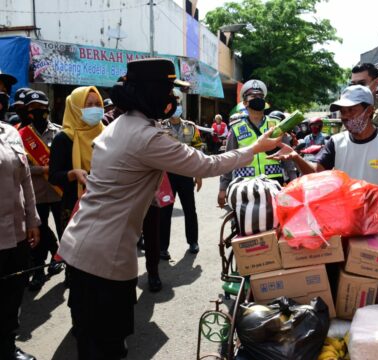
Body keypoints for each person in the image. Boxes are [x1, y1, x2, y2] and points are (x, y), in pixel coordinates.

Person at [56, 58, 282, 360]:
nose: (173, 100)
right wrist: (254, 149)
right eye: (168, 91)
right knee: (106, 347)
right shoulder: (147, 137)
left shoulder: (120, 125)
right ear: (151, 93)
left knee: (90, 341)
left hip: (80, 249)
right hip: (105, 259)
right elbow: (206, 164)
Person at [269, 85, 378, 198]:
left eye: (352, 110)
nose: (345, 116)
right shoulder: (336, 142)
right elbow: (317, 173)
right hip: (344, 219)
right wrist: (295, 157)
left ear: (369, 111)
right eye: (343, 112)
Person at [0, 90, 41, 360]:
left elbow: (25, 180)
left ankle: (6, 347)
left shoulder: (11, 133)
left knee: (13, 294)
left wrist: (33, 220)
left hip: (15, 233)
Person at [217, 79, 298, 208]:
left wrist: (294, 181)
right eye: (253, 96)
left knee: (274, 222)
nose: (258, 99)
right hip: (244, 184)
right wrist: (223, 188)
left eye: (260, 97)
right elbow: (229, 159)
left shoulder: (276, 124)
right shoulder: (236, 128)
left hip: (273, 182)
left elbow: (288, 156)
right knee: (245, 223)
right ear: (245, 102)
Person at [18, 90, 64, 291]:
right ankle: (37, 271)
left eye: (41, 107)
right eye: (33, 108)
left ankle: (67, 266)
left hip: (59, 192)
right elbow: (20, 167)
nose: (38, 111)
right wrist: (42, 169)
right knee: (38, 233)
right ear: (28, 111)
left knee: (65, 232)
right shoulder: (20, 136)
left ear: (47, 108)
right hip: (36, 194)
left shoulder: (60, 132)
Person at [49, 86, 105, 232]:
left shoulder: (107, 134)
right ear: (76, 108)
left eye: (98, 104)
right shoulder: (63, 138)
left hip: (106, 204)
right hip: (74, 205)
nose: (95, 109)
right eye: (89, 105)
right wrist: (73, 174)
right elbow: (53, 176)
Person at [159, 88, 203, 259]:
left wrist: (199, 175)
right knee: (165, 213)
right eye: (173, 104)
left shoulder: (191, 127)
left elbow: (199, 151)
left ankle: (193, 241)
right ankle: (162, 247)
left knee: (190, 209)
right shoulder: (160, 126)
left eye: (178, 104)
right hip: (167, 176)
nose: (176, 107)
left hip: (186, 174)